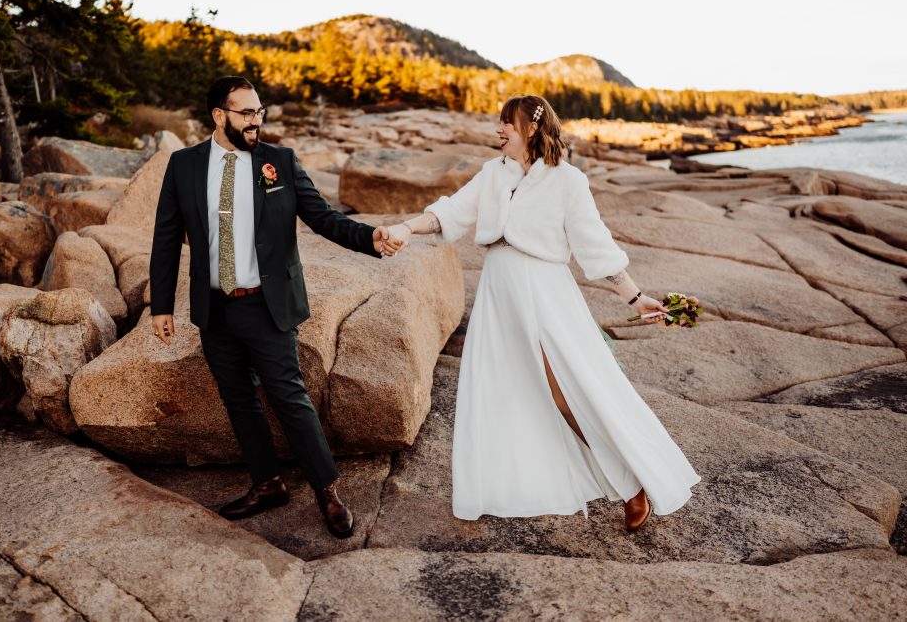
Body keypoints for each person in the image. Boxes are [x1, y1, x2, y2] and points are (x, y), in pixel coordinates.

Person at [382, 95, 701, 530]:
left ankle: (633, 483)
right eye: (498, 123)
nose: (499, 130)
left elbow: (595, 246)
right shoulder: (492, 174)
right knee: (502, 392)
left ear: (531, 128)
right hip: (499, 294)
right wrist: (405, 228)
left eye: (506, 123)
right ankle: (503, 485)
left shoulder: (568, 181)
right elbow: (449, 214)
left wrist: (634, 296)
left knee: (567, 391)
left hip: (546, 293)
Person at [148, 76, 396, 538]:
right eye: (245, 113)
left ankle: (328, 492)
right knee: (238, 400)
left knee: (289, 397)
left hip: (267, 306)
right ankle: (268, 484)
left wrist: (369, 238)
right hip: (214, 308)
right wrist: (161, 305)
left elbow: (322, 216)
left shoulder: (278, 161)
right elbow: (166, 237)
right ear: (219, 116)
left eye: (260, 111)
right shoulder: (183, 165)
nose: (255, 121)